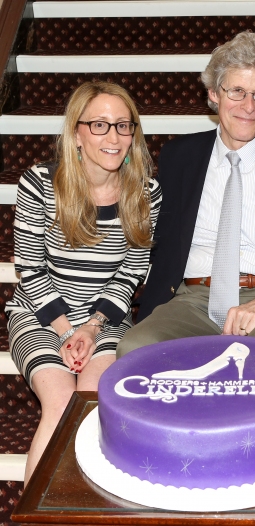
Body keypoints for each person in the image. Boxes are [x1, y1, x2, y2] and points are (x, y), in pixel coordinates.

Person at [116, 31, 255, 357]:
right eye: (236, 91)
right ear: (213, 93)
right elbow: (158, 244)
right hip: (190, 299)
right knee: (137, 350)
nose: (248, 107)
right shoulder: (179, 157)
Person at [6, 81, 162, 484]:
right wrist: (67, 331)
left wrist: (90, 329)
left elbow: (132, 272)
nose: (114, 137)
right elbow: (31, 270)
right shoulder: (40, 184)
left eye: (124, 126)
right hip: (41, 316)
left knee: (92, 406)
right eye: (99, 125)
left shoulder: (145, 192)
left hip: (106, 319)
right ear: (76, 133)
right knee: (60, 404)